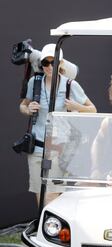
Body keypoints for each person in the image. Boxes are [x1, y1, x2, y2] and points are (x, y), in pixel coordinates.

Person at [19, 43, 96, 205]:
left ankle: (53, 226)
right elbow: (22, 105)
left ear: (61, 63)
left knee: (52, 195)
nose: (48, 67)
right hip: (36, 147)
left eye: (52, 62)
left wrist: (76, 107)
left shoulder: (70, 85)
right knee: (40, 193)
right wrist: (28, 109)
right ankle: (45, 226)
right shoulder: (35, 82)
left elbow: (93, 110)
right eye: (45, 63)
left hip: (59, 148)